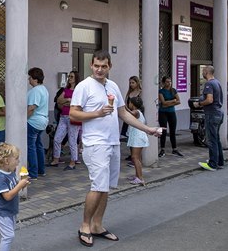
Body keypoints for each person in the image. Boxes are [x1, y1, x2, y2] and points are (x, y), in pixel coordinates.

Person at [70, 50, 162, 247]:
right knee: (97, 186)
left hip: (112, 142)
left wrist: (148, 129)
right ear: (91, 65)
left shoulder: (113, 86)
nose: (100, 70)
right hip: (95, 143)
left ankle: (97, 225)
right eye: (96, 66)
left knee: (106, 188)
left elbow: (124, 113)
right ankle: (84, 226)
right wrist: (97, 113)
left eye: (104, 66)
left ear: (109, 66)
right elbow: (73, 114)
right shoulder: (83, 86)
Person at [0, 142, 31, 251]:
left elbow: (13, 187)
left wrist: (22, 185)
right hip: (3, 212)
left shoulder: (11, 172)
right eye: (16, 159)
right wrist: (20, 185)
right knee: (8, 236)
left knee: (9, 234)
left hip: (11, 210)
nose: (18, 162)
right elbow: (7, 196)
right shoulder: (0, 178)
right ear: (6, 161)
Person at [194, 65, 224, 171]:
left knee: (211, 140)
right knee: (216, 139)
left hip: (211, 114)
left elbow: (209, 100)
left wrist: (200, 104)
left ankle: (212, 164)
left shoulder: (209, 84)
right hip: (219, 113)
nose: (202, 73)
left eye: (203, 71)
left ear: (207, 72)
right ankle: (219, 161)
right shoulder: (217, 82)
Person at [50, 71, 81, 170]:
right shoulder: (65, 89)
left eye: (71, 76)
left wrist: (68, 102)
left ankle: (73, 162)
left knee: (72, 140)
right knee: (57, 139)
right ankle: (56, 159)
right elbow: (59, 100)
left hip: (73, 117)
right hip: (63, 117)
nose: (69, 78)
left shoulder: (79, 90)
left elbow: (79, 103)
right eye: (69, 76)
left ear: (76, 78)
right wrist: (67, 101)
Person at [26, 67, 49, 180]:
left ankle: (33, 172)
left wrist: (23, 119)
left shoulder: (35, 91)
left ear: (35, 79)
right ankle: (41, 169)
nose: (29, 79)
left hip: (33, 121)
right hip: (42, 122)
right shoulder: (43, 89)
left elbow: (31, 107)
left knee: (31, 147)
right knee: (38, 145)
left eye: (30, 77)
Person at [158, 76, 183, 157]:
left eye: (170, 81)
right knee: (163, 131)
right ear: (163, 82)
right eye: (167, 82)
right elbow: (163, 103)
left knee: (172, 131)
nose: (169, 83)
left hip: (171, 112)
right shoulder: (161, 91)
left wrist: (168, 103)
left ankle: (174, 149)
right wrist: (173, 101)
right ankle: (162, 149)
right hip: (163, 113)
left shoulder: (173, 90)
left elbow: (179, 101)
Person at [126, 96, 148, 186]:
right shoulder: (139, 112)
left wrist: (123, 107)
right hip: (137, 136)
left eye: (130, 103)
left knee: (135, 158)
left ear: (133, 104)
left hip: (137, 137)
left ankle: (140, 178)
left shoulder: (135, 112)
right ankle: (137, 175)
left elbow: (128, 113)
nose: (129, 104)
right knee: (136, 158)